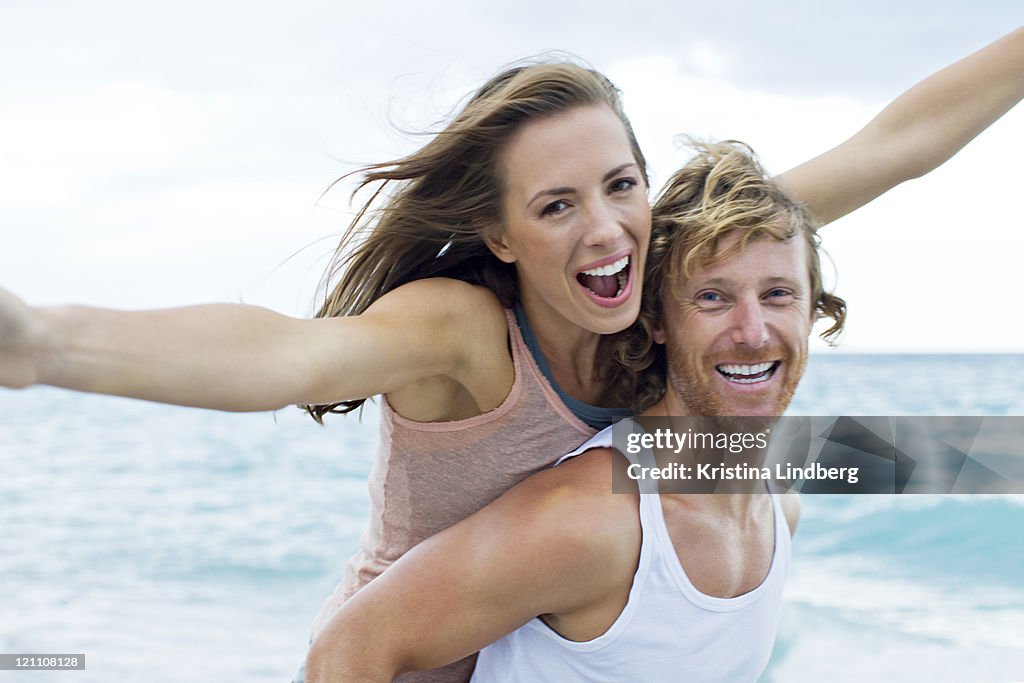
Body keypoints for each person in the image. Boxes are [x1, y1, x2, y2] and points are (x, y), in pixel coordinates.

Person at [1, 25, 1023, 683]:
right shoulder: (464, 330)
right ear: (499, 234)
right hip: (399, 656)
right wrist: (46, 343)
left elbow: (895, 143)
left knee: (939, 454)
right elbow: (287, 356)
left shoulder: (650, 263)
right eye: (555, 206)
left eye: (621, 184)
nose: (607, 230)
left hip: (554, 620)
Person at [302, 141, 838, 682]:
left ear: (813, 310)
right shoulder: (588, 522)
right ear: (658, 322)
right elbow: (350, 647)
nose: (752, 332)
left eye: (777, 295)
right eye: (711, 299)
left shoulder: (779, 508)